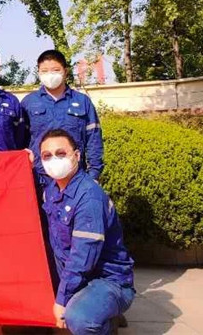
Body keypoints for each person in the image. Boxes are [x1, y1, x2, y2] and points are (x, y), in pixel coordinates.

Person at [37, 129, 134, 334]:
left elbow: (83, 258)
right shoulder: (51, 191)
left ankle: (104, 323)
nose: (54, 160)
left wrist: (62, 299)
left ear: (77, 155)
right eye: (47, 156)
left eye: (61, 153)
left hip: (107, 281)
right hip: (76, 278)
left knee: (79, 318)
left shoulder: (89, 197)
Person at [21, 50, 103, 187]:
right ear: (39, 73)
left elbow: (93, 139)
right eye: (44, 71)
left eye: (55, 70)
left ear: (65, 71)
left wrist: (93, 175)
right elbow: (20, 142)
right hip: (40, 178)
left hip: (75, 177)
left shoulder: (82, 101)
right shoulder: (29, 102)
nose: (50, 75)